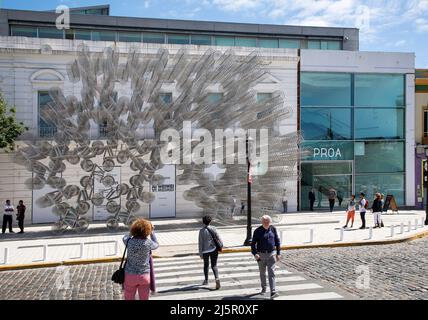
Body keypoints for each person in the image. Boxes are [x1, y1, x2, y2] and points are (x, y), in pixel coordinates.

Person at [122, 219, 159, 300]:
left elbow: (124, 237)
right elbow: (156, 244)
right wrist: (152, 232)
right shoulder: (148, 243)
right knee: (144, 298)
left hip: (130, 275)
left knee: (129, 297)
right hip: (144, 276)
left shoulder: (129, 241)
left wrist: (131, 232)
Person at [251, 215, 281, 299]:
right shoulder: (257, 231)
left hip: (271, 254)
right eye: (264, 222)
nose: (266, 223)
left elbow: (277, 241)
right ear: (262, 222)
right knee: (262, 273)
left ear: (270, 222)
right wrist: (255, 254)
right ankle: (264, 288)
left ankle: (273, 291)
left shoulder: (273, 229)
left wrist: (278, 253)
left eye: (268, 222)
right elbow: (253, 244)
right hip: (261, 255)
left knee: (271, 273)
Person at [198, 215, 222, 290]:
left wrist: (200, 253)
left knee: (206, 265)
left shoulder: (201, 231)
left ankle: (206, 280)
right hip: (214, 249)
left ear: (203, 222)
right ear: (210, 221)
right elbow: (218, 238)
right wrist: (220, 246)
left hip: (205, 251)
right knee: (214, 265)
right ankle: (217, 278)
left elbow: (200, 243)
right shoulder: (214, 228)